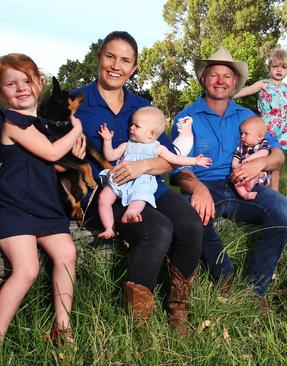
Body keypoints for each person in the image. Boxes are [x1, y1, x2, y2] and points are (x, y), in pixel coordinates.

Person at [72, 31, 202, 335]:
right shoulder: (75, 101)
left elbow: (169, 158)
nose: (116, 65)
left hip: (146, 185)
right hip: (102, 192)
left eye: (125, 60)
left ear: (134, 67)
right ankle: (138, 322)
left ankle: (178, 310)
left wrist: (142, 165)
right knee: (158, 228)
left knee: (191, 225)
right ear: (99, 57)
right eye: (110, 56)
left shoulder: (142, 106)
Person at [171, 46, 287, 306]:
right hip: (205, 187)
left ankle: (255, 290)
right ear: (203, 79)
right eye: (214, 74)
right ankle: (224, 275)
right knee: (188, 212)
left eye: (227, 76)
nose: (220, 81)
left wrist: (259, 164)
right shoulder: (186, 118)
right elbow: (178, 169)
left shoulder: (247, 117)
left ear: (236, 82)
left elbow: (279, 155)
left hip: (243, 186)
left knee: (284, 211)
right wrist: (197, 189)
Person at [0, 53, 81, 354]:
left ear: (39, 83)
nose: (21, 87)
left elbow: (49, 164)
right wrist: (76, 130)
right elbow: (51, 153)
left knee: (67, 252)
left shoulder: (41, 125)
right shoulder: (12, 123)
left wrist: (73, 155)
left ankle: (62, 327)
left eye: (26, 80)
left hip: (42, 206)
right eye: (11, 84)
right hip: (12, 207)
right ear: (0, 92)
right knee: (27, 270)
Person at [96, 106, 212, 239]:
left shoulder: (158, 148)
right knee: (103, 198)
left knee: (139, 199)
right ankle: (109, 228)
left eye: (136, 126)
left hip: (141, 183)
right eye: (131, 124)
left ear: (152, 133)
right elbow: (110, 156)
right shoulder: (127, 145)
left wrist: (195, 161)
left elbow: (176, 159)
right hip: (120, 179)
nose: (131, 128)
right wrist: (107, 141)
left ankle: (131, 213)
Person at [233, 48, 287, 191]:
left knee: (276, 163)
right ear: (269, 67)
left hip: (281, 129)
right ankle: (251, 184)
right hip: (267, 127)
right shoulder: (263, 84)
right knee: (258, 156)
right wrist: (230, 95)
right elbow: (247, 90)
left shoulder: (286, 89)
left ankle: (274, 192)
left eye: (283, 67)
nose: (279, 70)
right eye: (275, 66)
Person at [232, 116, 272, 200]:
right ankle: (245, 194)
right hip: (244, 174)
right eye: (242, 133)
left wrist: (249, 159)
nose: (242, 136)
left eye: (246, 133)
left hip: (260, 177)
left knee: (258, 172)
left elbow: (265, 152)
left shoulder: (262, 144)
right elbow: (236, 157)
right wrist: (235, 166)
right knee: (234, 177)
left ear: (259, 137)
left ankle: (251, 183)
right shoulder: (241, 147)